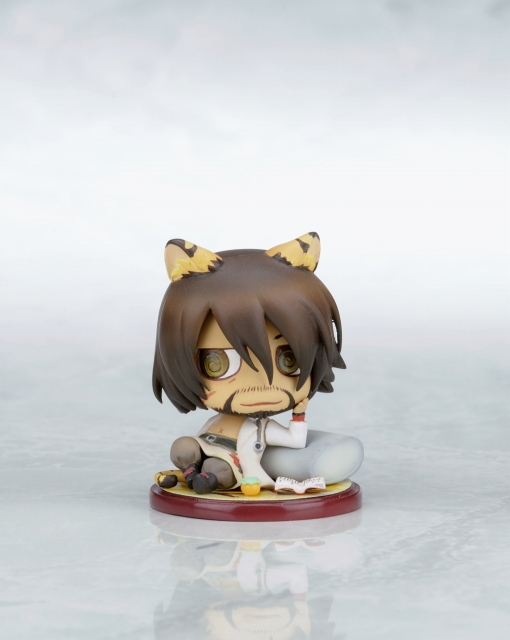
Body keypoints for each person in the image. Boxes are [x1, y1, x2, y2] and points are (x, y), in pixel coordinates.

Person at [153, 233, 363, 494]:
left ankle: (202, 478)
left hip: (233, 465)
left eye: (289, 361)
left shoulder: (264, 428)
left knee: (220, 468)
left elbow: (295, 441)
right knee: (182, 447)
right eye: (218, 363)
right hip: (205, 446)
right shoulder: (218, 420)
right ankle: (189, 472)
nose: (261, 386)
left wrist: (299, 413)